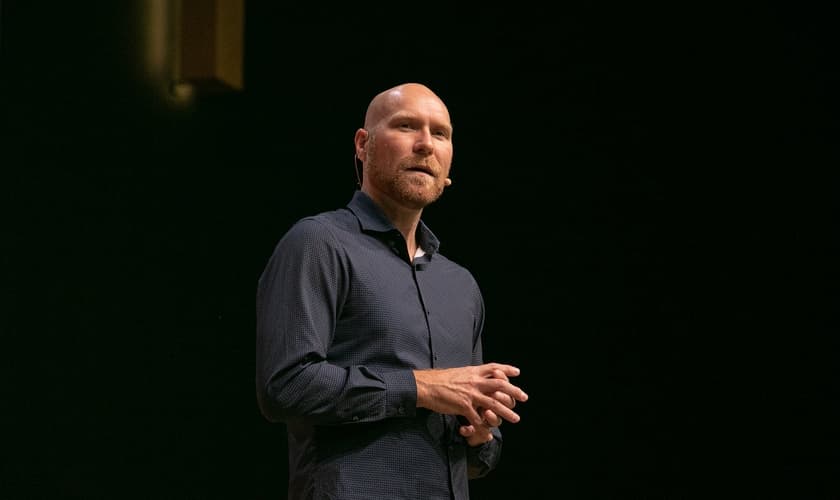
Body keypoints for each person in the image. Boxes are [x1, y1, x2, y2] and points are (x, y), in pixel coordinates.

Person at [256, 82, 529, 500]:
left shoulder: (460, 285)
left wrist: (481, 437)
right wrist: (421, 388)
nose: (425, 144)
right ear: (363, 145)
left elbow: (474, 459)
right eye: (406, 126)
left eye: (440, 134)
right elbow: (286, 386)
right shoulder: (319, 244)